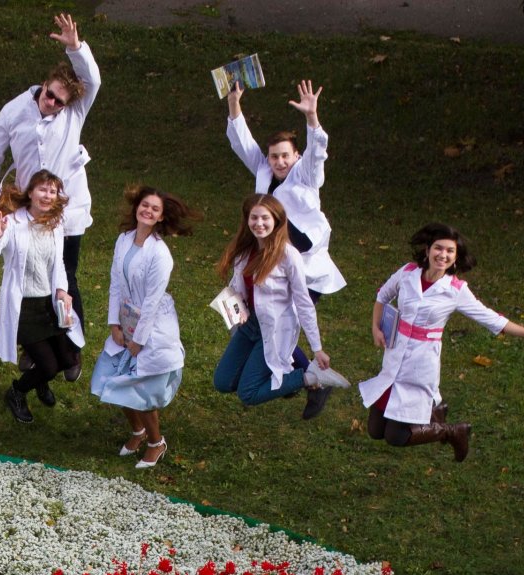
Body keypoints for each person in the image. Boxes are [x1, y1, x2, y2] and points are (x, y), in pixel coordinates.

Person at [360, 222, 524, 462]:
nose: (443, 255)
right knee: (375, 431)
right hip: (394, 355)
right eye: (438, 248)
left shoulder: (456, 290)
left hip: (420, 364)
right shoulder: (407, 273)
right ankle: (438, 411)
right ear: (427, 249)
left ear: (456, 257)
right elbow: (382, 296)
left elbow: (493, 319)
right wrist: (375, 327)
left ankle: (454, 431)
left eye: (450, 251)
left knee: (395, 436)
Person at [0, 11, 100, 381]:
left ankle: (71, 345)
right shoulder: (14, 110)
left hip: (69, 206)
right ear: (42, 86)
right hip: (28, 206)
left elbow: (92, 79)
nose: (53, 104)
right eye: (50, 96)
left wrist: (76, 48)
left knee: (67, 276)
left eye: (60, 102)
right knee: (28, 273)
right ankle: (31, 345)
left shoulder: (75, 110)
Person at [91, 186, 200, 469]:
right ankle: (137, 433)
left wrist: (138, 340)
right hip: (127, 318)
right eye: (145, 205)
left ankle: (156, 442)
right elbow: (116, 282)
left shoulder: (160, 255)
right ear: (137, 207)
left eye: (155, 209)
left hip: (153, 327)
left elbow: (151, 303)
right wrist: (114, 323)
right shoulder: (123, 240)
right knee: (114, 379)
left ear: (161, 217)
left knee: (142, 388)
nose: (148, 211)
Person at [213, 194, 349, 419]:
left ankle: (310, 378)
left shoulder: (288, 255)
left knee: (248, 393)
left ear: (277, 220)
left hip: (275, 330)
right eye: (254, 218)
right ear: (247, 220)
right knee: (222, 382)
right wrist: (239, 309)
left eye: (265, 218)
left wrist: (317, 348)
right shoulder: (245, 250)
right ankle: (267, 375)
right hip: (249, 326)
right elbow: (235, 288)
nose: (259, 223)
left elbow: (304, 303)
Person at [226, 79, 344, 305]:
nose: (279, 162)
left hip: (305, 258)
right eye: (274, 156)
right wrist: (233, 102)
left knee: (285, 322)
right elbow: (243, 144)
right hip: (272, 255)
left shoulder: (305, 175)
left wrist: (312, 117)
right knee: (263, 317)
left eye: (285, 156)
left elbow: (316, 153)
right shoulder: (264, 171)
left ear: (296, 155)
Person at [0, 170, 85, 424]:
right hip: (23, 306)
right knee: (48, 365)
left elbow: (58, 262)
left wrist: (62, 289)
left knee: (68, 358)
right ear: (30, 192)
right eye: (42, 189)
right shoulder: (13, 222)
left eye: (52, 191)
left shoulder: (55, 223)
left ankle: (40, 380)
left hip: (49, 303)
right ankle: (17, 392)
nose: (47, 195)